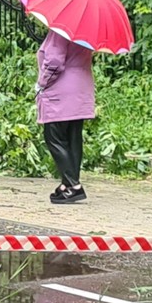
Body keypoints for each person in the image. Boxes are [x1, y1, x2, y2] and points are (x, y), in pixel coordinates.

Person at [36, 28, 95, 204]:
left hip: (61, 92)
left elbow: (55, 62)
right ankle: (67, 184)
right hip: (80, 89)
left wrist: (42, 83)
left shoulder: (61, 31)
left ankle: (73, 186)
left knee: (54, 137)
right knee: (73, 138)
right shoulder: (84, 31)